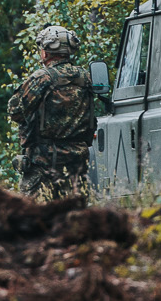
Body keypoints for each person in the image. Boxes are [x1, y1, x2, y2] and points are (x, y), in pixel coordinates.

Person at [7, 25, 97, 200]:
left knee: (31, 217)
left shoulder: (42, 78)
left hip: (44, 163)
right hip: (76, 161)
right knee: (73, 215)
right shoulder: (85, 77)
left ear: (45, 52)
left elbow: (15, 112)